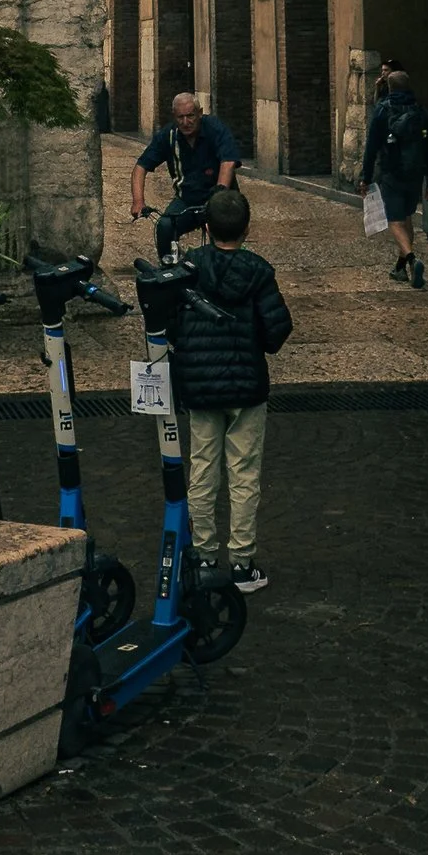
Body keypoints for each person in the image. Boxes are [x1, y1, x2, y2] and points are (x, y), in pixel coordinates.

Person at [170, 184, 293, 595]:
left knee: (202, 468)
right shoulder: (258, 272)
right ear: (247, 228)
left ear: (205, 226)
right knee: (244, 473)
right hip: (245, 386)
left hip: (201, 387)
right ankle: (242, 563)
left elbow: (169, 325)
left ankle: (204, 557)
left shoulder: (188, 268)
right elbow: (277, 332)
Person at [130, 90, 241, 257]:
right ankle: (169, 271)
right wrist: (138, 201)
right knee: (165, 226)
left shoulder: (214, 128)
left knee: (223, 239)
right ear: (174, 116)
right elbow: (140, 167)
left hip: (220, 197)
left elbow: (228, 161)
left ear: (200, 113)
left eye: (190, 116)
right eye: (180, 117)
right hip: (187, 199)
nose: (185, 122)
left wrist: (220, 192)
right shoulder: (169, 136)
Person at [359, 63, 428, 287]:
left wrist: (365, 176)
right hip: (415, 173)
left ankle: (411, 258)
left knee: (394, 219)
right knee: (407, 216)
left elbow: (371, 146)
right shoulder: (419, 110)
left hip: (391, 172)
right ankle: (401, 267)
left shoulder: (383, 109)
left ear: (389, 87)